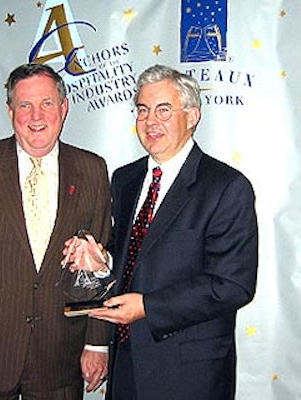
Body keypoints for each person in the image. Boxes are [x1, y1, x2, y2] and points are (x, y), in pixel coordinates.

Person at [66, 64, 258, 400]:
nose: (150, 121)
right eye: (142, 110)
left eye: (163, 110)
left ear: (193, 115)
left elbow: (233, 285)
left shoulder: (226, 187)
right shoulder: (125, 180)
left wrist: (149, 308)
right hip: (125, 362)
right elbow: (132, 259)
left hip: (189, 373)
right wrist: (103, 262)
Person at [0, 63, 111, 399]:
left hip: (60, 356)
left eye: (46, 103)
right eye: (24, 105)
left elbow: (97, 269)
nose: (36, 115)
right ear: (11, 111)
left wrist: (97, 342)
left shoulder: (92, 170)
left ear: (63, 108)